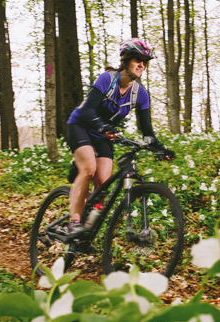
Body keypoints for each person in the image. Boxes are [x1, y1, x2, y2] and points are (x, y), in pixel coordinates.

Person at [65, 38, 174, 236]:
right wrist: (102, 125)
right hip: (80, 125)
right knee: (88, 169)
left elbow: (147, 130)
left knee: (103, 183)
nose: (142, 64)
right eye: (137, 59)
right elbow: (88, 110)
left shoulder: (141, 94)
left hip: (104, 134)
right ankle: (74, 222)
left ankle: (87, 231)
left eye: (145, 61)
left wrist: (159, 148)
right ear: (125, 60)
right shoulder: (108, 79)